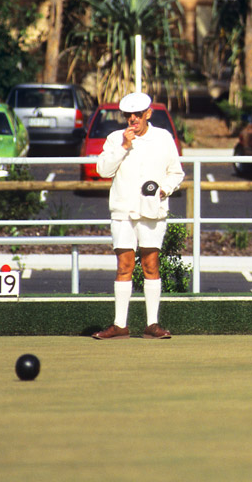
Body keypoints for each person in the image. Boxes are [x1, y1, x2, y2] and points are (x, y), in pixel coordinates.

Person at [92, 92, 185, 340]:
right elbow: (102, 170)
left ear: (148, 114)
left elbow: (176, 173)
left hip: (152, 211)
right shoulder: (115, 139)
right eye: (128, 115)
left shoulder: (163, 138)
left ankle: (152, 324)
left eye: (137, 114)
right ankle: (119, 325)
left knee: (150, 265)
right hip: (123, 211)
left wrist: (163, 190)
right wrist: (123, 147)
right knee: (124, 266)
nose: (132, 119)